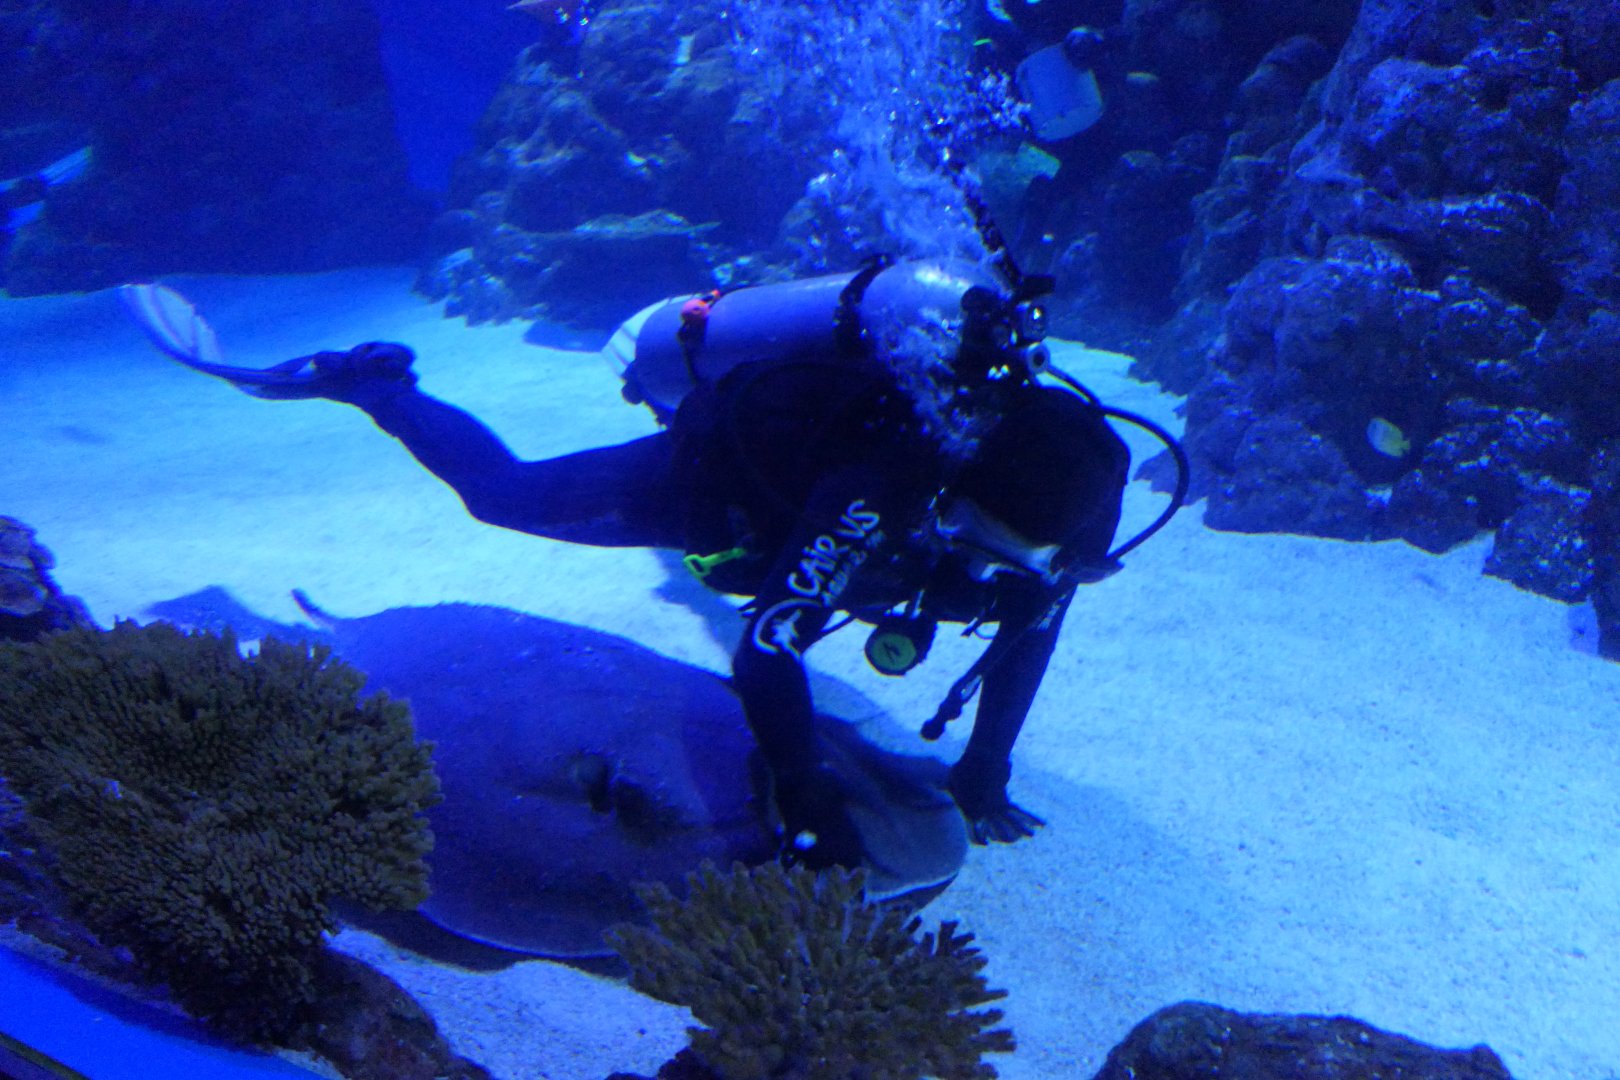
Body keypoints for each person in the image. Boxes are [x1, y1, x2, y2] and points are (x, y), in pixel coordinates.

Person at [124, 252, 1184, 871]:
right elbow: (769, 650)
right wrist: (806, 789)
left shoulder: (1079, 495)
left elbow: (1035, 620)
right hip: (726, 481)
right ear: (952, 491)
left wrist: (986, 769)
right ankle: (372, 380)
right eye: (980, 540)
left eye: (1025, 557)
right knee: (506, 497)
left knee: (984, 580)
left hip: (865, 516)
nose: (1001, 571)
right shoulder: (882, 486)